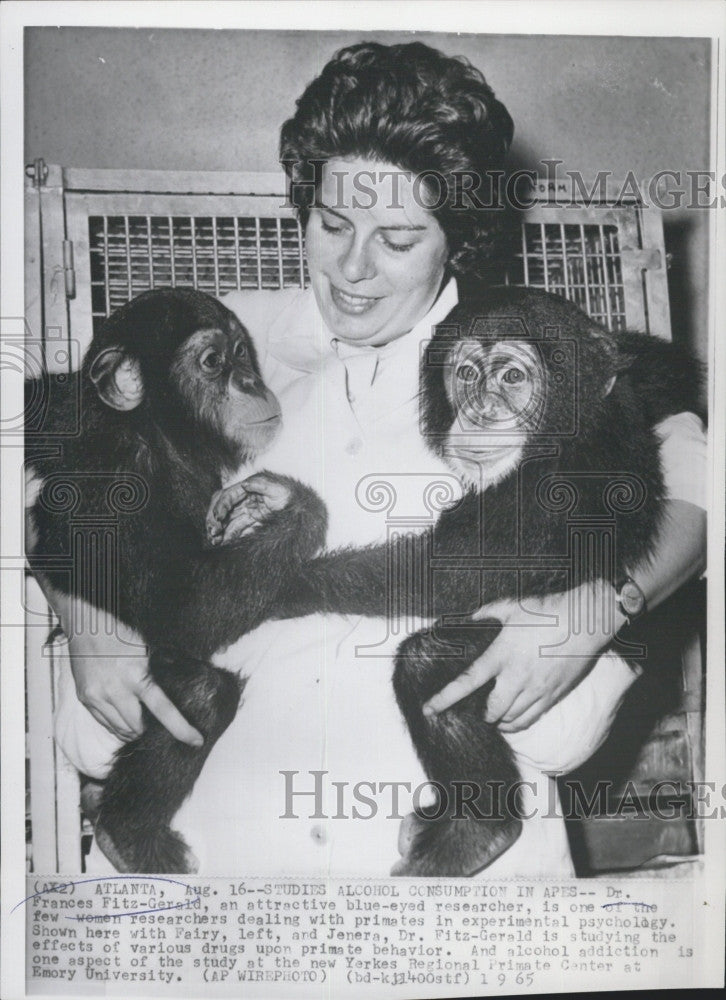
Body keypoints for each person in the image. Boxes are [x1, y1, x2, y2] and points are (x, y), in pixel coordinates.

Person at [48, 41, 706, 876]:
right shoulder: (221, 339)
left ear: (455, 241)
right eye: (331, 225)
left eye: (397, 238)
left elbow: (699, 482)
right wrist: (88, 616)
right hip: (205, 853)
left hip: (455, 866)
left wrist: (597, 608)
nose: (352, 270)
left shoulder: (530, 349)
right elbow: (64, 455)